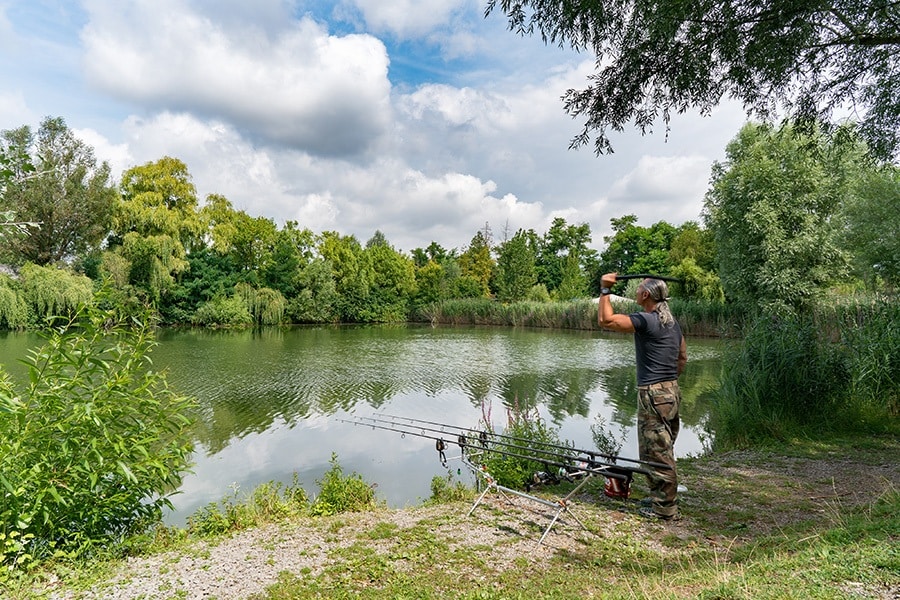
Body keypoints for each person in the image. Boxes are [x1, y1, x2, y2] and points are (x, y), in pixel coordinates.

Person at [597, 273, 687, 520]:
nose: (635, 292)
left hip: (653, 393)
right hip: (671, 390)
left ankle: (665, 510)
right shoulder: (672, 322)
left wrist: (605, 290)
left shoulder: (647, 320)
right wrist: (668, 383)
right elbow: (682, 358)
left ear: (646, 295)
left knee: (656, 453)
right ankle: (661, 497)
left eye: (637, 290)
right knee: (662, 449)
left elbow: (606, 320)